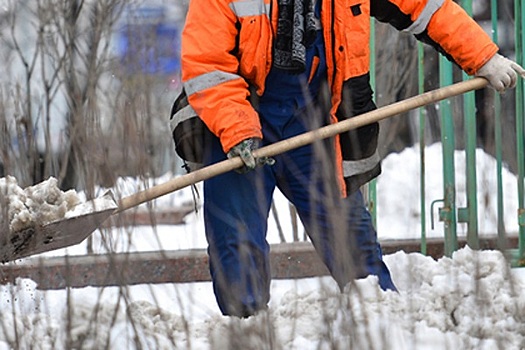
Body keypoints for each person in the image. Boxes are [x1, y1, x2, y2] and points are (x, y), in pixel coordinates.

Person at [179, 0, 525, 317]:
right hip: (235, 126)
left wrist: (482, 56)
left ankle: (381, 322)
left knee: (353, 245)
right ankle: (248, 331)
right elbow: (207, 65)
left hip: (312, 126)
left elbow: (426, 7)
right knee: (236, 245)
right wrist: (238, 131)